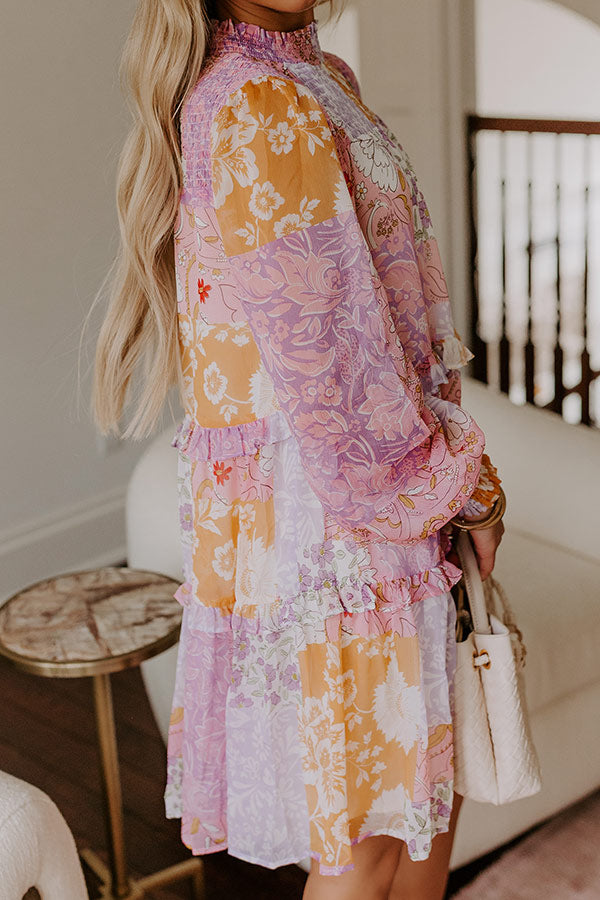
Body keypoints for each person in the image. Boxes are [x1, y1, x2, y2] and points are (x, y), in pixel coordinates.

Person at [92, 1, 505, 897]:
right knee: (372, 842)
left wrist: (449, 479)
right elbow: (336, 373)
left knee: (420, 813)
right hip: (347, 524)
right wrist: (465, 487)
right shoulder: (256, 100)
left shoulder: (314, 77)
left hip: (371, 511)